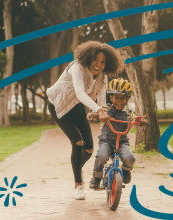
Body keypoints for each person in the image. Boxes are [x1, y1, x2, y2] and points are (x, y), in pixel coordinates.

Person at [46, 41, 124, 200]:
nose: (99, 65)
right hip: (58, 105)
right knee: (78, 142)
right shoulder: (77, 67)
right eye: (96, 60)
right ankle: (78, 185)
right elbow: (80, 93)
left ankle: (76, 168)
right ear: (88, 57)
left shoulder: (102, 76)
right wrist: (98, 110)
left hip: (76, 108)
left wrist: (101, 111)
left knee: (89, 148)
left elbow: (102, 97)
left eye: (103, 62)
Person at [87, 78, 148, 190]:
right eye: (116, 97)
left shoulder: (128, 111)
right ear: (111, 97)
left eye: (122, 98)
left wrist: (141, 121)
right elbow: (93, 113)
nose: (119, 101)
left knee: (130, 158)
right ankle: (96, 178)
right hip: (107, 140)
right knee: (101, 156)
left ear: (127, 99)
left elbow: (135, 118)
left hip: (122, 142)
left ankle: (126, 170)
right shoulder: (105, 108)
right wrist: (94, 115)